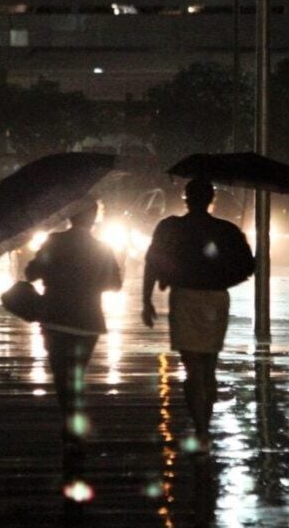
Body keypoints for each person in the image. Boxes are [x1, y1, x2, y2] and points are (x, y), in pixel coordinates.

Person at [141, 178, 254, 443]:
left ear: (186, 199)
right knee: (209, 364)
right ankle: (206, 417)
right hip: (215, 299)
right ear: (212, 199)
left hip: (185, 297)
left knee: (192, 366)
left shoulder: (170, 228)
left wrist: (146, 300)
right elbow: (247, 266)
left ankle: (201, 426)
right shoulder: (227, 230)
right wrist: (225, 278)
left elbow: (152, 263)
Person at [25, 201, 122, 422]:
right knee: (77, 372)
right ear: (94, 217)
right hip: (88, 322)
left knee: (61, 374)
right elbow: (115, 284)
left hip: (55, 318)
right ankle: (75, 416)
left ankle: (69, 418)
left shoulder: (54, 242)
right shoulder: (103, 248)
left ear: (69, 217)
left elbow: (31, 273)